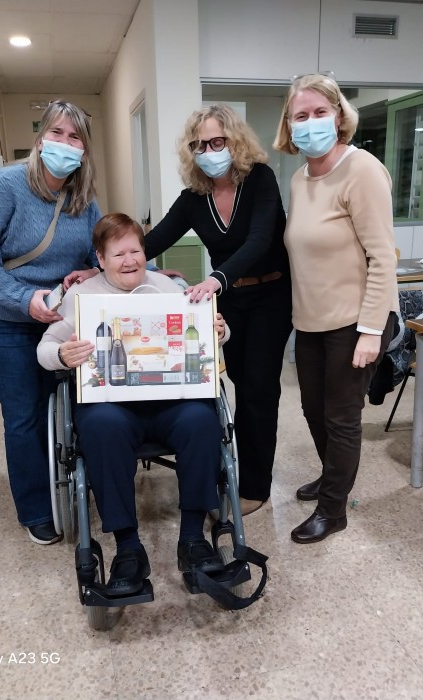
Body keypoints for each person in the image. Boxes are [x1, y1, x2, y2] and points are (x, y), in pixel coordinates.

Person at [37, 213, 231, 596]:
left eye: (136, 251)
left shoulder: (169, 288)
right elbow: (45, 348)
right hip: (111, 407)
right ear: (100, 258)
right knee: (100, 427)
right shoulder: (81, 296)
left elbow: (213, 336)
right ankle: (128, 547)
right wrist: (62, 354)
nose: (129, 261)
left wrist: (220, 332)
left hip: (171, 403)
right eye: (118, 254)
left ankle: (193, 539)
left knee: (202, 420)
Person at [0, 100, 102, 545]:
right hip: (3, 318)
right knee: (24, 415)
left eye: (74, 136)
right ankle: (37, 508)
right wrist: (24, 299)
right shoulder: (5, 186)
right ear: (40, 141)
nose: (65, 143)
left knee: (62, 406)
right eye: (56, 133)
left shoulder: (83, 199)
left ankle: (69, 483)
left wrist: (145, 271)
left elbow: (100, 252)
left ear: (84, 149)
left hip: (56, 317)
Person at [143, 104, 292, 516]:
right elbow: (153, 241)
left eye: (216, 142)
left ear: (234, 141)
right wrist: (104, 263)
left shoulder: (260, 179)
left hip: (270, 294)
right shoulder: (194, 197)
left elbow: (260, 239)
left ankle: (256, 487)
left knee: (259, 390)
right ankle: (230, 470)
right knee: (235, 382)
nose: (208, 151)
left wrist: (216, 279)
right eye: (199, 145)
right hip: (230, 299)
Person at [273, 73, 399, 543]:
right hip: (311, 322)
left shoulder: (361, 169)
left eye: (320, 112)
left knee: (341, 418)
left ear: (339, 116)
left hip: (355, 321)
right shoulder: (299, 179)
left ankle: (333, 509)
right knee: (312, 409)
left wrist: (371, 330)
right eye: (300, 115)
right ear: (289, 125)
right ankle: (333, 479)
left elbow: (383, 256)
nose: (310, 123)